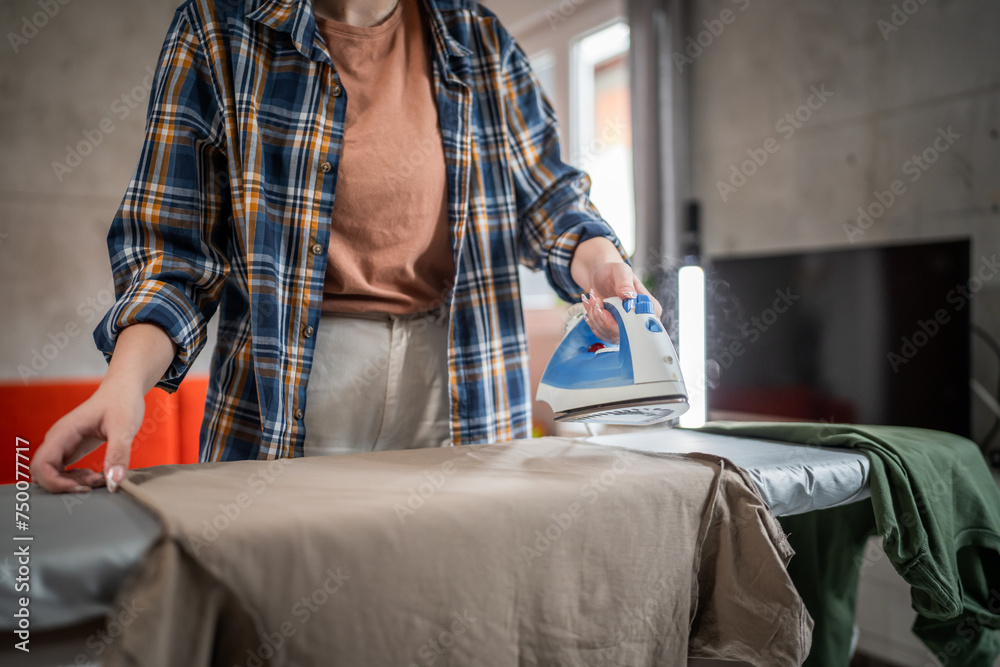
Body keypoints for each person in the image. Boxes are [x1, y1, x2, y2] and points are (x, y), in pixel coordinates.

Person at [30, 0, 660, 494]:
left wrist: (601, 258)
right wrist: (121, 386)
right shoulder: (217, 32)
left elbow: (549, 199)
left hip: (460, 373)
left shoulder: (480, 39)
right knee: (289, 609)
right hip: (294, 387)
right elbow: (174, 257)